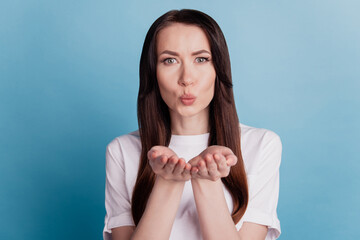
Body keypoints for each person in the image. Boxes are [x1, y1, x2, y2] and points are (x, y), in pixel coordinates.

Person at [103, 9, 282, 240]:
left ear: (218, 69)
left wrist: (207, 181)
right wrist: (167, 183)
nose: (187, 78)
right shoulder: (122, 151)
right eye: (170, 60)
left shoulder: (261, 145)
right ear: (152, 72)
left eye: (201, 59)